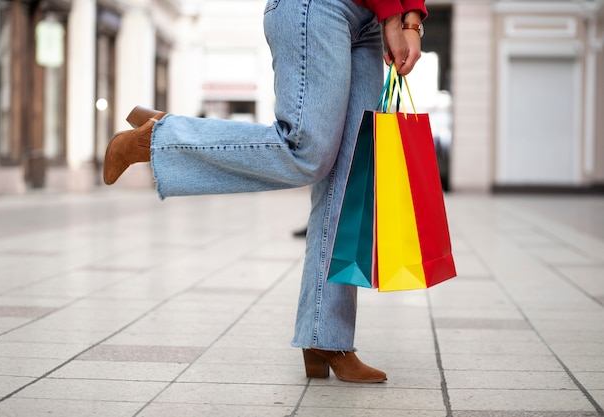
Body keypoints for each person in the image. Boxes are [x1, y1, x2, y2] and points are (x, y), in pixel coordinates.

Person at [104, 0, 426, 383]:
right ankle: (160, 139)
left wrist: (411, 18)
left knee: (347, 178)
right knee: (306, 151)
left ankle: (328, 338)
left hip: (371, 18)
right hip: (317, 7)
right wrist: (394, 13)